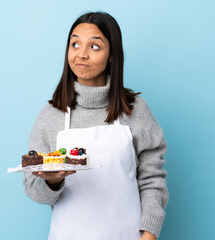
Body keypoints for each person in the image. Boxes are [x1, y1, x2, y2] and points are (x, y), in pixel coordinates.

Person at [23, 11, 168, 240]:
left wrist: (149, 235)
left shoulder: (135, 110)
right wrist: (52, 181)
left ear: (112, 55)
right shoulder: (50, 115)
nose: (82, 55)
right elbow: (33, 188)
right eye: (75, 44)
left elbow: (152, 180)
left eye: (95, 47)